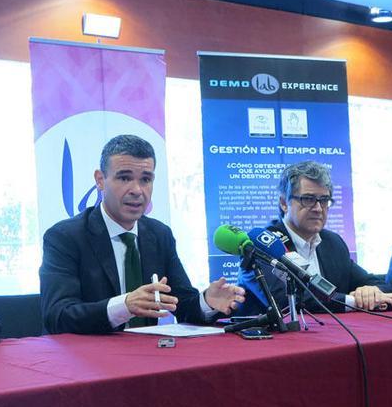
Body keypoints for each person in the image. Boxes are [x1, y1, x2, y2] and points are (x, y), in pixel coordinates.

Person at [40, 134, 245, 334]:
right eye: (124, 177)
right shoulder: (65, 237)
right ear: (100, 180)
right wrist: (124, 306)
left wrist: (207, 301)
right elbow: (58, 316)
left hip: (148, 358)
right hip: (88, 360)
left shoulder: (158, 234)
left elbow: (182, 305)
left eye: (146, 179)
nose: (137, 190)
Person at [236, 161, 392, 317]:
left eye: (324, 200)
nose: (318, 208)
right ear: (283, 203)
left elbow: (372, 281)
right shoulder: (264, 244)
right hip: (272, 342)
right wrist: (354, 301)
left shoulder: (333, 242)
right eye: (308, 199)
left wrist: (370, 291)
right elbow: (285, 301)